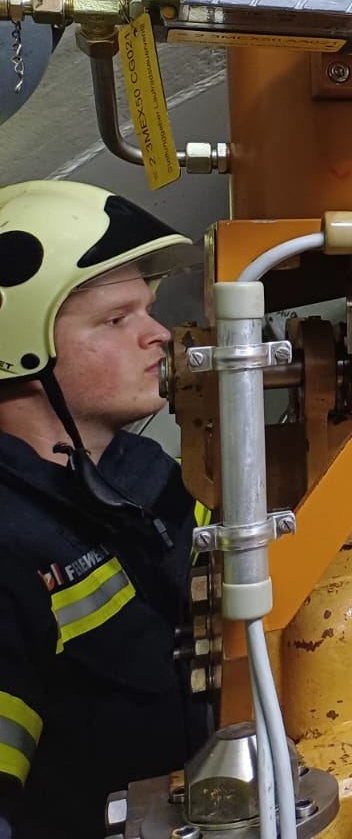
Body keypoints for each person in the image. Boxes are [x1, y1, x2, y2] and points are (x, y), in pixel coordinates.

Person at [0, 180, 209, 839]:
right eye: (117, 320)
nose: (158, 335)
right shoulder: (10, 548)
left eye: (148, 311)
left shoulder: (143, 470)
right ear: (21, 350)